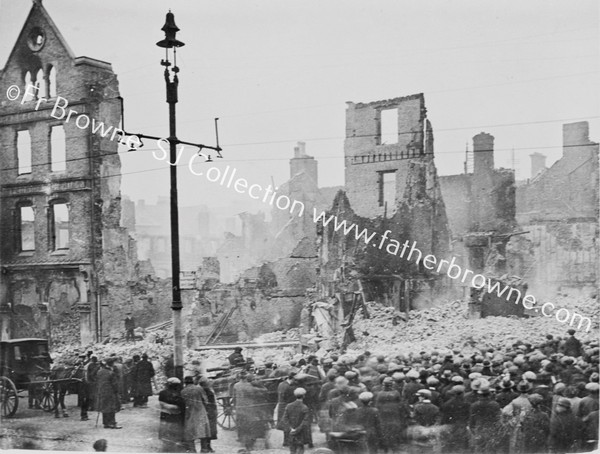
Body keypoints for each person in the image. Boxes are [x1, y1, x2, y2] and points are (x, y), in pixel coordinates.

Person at [232, 371, 269, 452]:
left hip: (239, 408)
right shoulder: (249, 386)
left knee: (241, 425)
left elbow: (233, 397)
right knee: (250, 427)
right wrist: (259, 384)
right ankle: (250, 445)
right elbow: (264, 391)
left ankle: (241, 439)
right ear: (246, 378)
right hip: (249, 409)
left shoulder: (236, 385)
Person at [181, 376, 211, 453]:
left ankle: (192, 450)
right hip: (200, 412)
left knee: (190, 432)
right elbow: (206, 401)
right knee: (203, 432)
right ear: (193, 381)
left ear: (185, 383)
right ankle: (204, 450)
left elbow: (182, 404)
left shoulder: (183, 391)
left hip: (189, 413)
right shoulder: (199, 389)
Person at [159, 377, 186, 453]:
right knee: (174, 432)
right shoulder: (179, 393)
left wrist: (167, 406)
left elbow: (162, 404)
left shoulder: (162, 393)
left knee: (166, 431)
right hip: (175, 415)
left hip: (165, 414)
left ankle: (167, 448)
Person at [281, 387, 311, 454]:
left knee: (292, 450)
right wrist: (297, 430)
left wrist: (290, 428)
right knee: (300, 449)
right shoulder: (304, 407)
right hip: (300, 433)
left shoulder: (289, 406)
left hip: (291, 432)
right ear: (304, 396)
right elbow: (305, 421)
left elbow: (284, 418)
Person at [95, 358, 122, 429]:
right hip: (110, 392)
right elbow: (115, 384)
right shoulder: (111, 373)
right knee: (111, 407)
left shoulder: (99, 372)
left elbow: (97, 381)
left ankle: (106, 423)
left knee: (104, 407)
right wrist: (117, 391)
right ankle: (112, 423)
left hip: (101, 391)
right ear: (112, 364)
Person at [198, 376, 218, 453]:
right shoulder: (205, 391)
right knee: (207, 430)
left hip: (209, 412)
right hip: (208, 412)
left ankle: (208, 446)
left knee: (209, 431)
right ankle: (205, 447)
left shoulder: (205, 391)